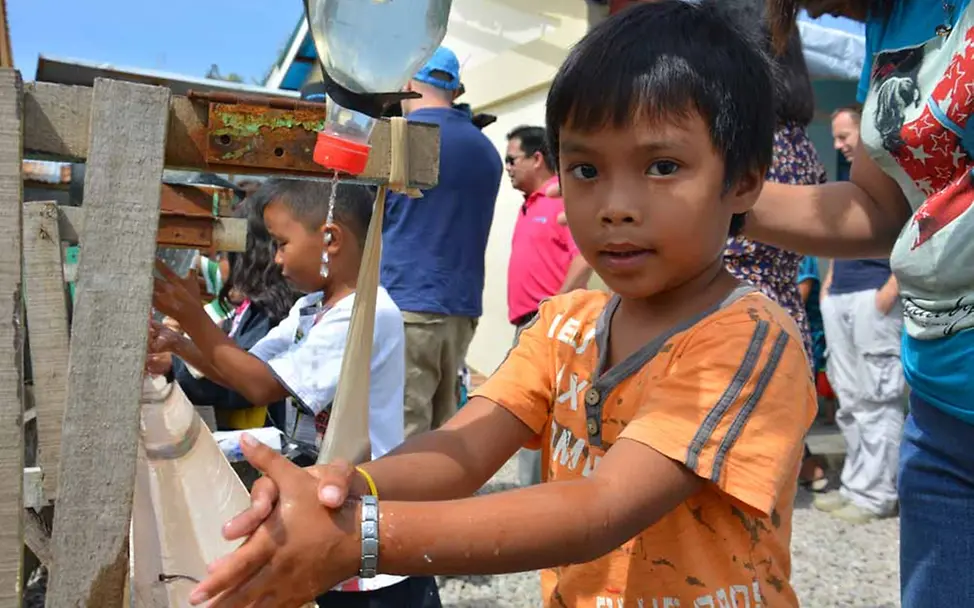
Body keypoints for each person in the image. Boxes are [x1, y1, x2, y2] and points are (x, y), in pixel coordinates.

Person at [187, 4, 816, 607]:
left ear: (744, 180)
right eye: (586, 170)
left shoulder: (745, 339)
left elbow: (601, 510)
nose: (615, 205)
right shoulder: (567, 324)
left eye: (662, 165)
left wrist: (361, 537)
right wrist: (347, 485)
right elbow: (460, 452)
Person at [749, 0, 974, 603]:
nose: (814, 13)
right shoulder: (885, 20)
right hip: (941, 405)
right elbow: (878, 210)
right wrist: (709, 197)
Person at [150, 179, 438, 607]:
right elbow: (244, 366)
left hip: (364, 510)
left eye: (282, 243)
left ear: (330, 239)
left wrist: (192, 317)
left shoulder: (366, 313)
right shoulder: (310, 309)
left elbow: (259, 385)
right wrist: (179, 348)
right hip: (326, 501)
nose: (278, 259)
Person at [381, 46, 503, 439]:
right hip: (462, 306)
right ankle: (443, 500)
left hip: (408, 302)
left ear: (407, 83)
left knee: (401, 428)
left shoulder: (401, 140)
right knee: (444, 427)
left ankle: (402, 503)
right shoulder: (486, 150)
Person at [806, 105, 905, 523]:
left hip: (875, 296)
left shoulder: (900, 174)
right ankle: (855, 486)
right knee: (849, 398)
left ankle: (878, 494)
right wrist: (829, 285)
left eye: (845, 135)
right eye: (836, 137)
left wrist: (891, 290)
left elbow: (924, 226)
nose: (839, 144)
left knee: (879, 398)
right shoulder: (851, 179)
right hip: (843, 296)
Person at [146, 186, 300, 431]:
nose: (219, 267)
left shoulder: (269, 313)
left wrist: (174, 361)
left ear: (248, 259)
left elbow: (243, 383)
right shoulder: (248, 310)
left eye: (224, 257)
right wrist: (178, 344)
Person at [505, 124, 592, 486]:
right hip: (530, 324)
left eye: (511, 159)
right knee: (525, 419)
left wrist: (553, 308)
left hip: (549, 326)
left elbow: (584, 256)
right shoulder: (529, 205)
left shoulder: (560, 201)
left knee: (537, 418)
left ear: (537, 158)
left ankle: (537, 503)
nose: (506, 167)